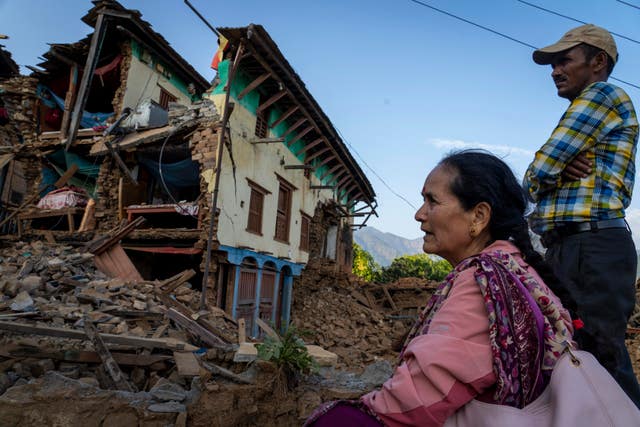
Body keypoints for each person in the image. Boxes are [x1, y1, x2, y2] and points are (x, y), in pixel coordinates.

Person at [305, 151, 576, 426]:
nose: (419, 214)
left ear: (479, 217)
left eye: (431, 201)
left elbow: (408, 406)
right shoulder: (517, 269)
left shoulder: (481, 284)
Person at [523, 23, 640, 406]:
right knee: (578, 356)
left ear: (598, 61)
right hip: (577, 245)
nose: (554, 70)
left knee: (600, 358)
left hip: (591, 245)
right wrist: (552, 171)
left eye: (564, 60)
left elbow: (539, 170)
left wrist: (548, 172)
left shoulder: (601, 95)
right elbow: (547, 170)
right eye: (551, 63)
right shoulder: (591, 106)